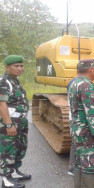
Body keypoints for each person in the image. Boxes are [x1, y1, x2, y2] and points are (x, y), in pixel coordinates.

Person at [67, 59, 94, 188]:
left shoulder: (74, 83)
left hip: (77, 129)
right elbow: (92, 112)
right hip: (87, 132)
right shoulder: (86, 85)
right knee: (90, 165)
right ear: (91, 69)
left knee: (79, 163)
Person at [0, 55, 31, 188]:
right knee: (8, 150)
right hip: (11, 121)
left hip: (21, 120)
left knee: (20, 147)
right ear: (7, 67)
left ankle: (15, 171)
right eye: (16, 66)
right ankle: (6, 178)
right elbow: (2, 105)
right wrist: (8, 124)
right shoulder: (4, 82)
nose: (20, 68)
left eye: (21, 66)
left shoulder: (15, 80)